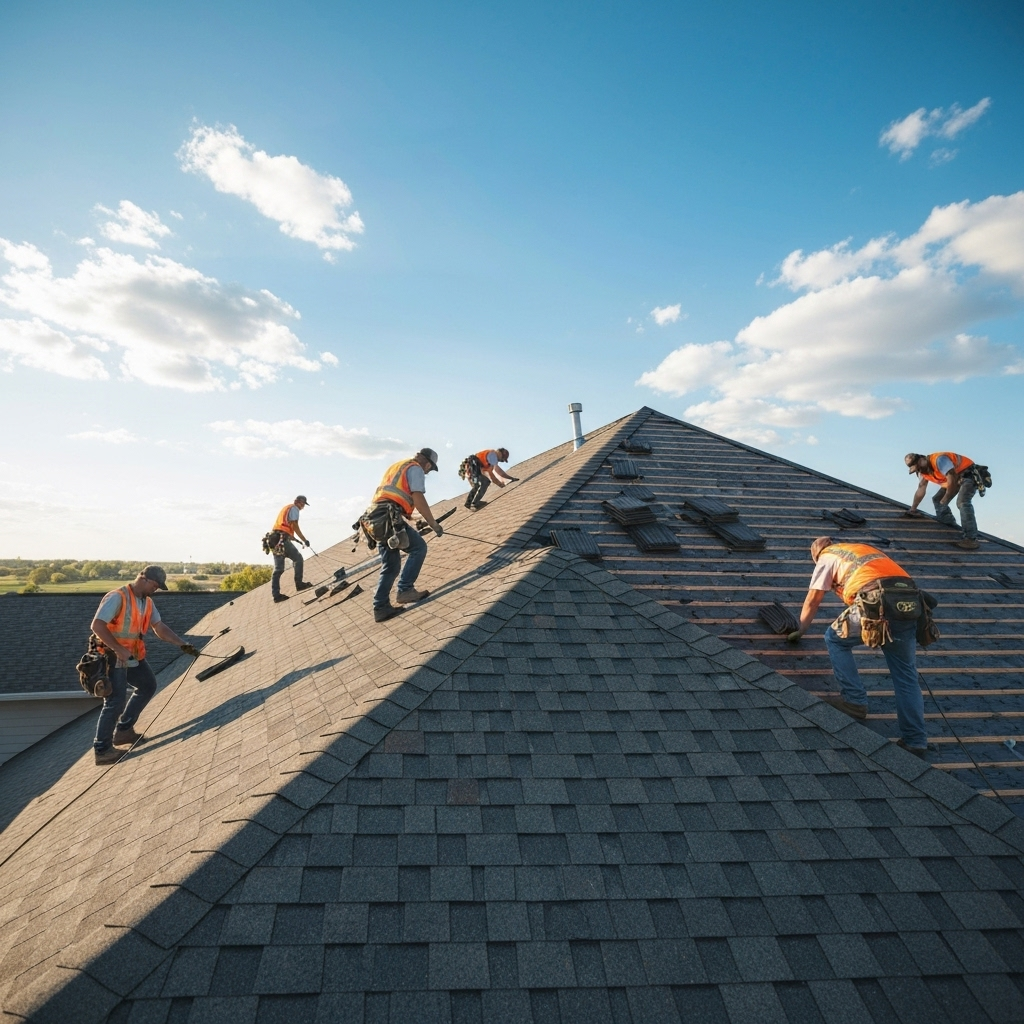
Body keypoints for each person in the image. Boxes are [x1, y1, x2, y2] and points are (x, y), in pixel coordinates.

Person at [789, 537, 929, 756]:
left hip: (877, 599)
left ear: (816, 555)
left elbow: (812, 601)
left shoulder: (827, 557)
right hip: (910, 603)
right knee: (906, 675)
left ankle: (854, 701)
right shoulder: (859, 550)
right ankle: (915, 741)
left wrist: (801, 630)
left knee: (834, 638)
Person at [90, 566, 200, 765]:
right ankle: (102, 750)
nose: (155, 591)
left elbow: (159, 627)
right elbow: (97, 626)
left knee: (148, 685)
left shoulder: (147, 602)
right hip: (112, 656)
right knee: (115, 702)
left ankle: (123, 731)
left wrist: (181, 643)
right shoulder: (118, 597)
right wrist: (116, 649)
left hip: (132, 656)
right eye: (155, 586)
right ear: (144, 578)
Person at [370, 448, 443, 622]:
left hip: (376, 518)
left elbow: (397, 497)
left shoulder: (398, 466)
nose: (427, 472)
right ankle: (405, 590)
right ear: (427, 463)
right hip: (388, 517)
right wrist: (433, 524)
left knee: (391, 565)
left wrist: (414, 518)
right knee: (419, 548)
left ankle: (380, 608)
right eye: (429, 469)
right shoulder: (416, 468)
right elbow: (417, 497)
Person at [905, 452, 980, 550]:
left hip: (968, 474)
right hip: (954, 479)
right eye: (916, 469)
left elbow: (952, 477)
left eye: (918, 467)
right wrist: (913, 509)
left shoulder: (940, 460)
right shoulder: (923, 472)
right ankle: (948, 523)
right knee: (937, 499)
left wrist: (946, 498)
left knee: (962, 502)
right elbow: (921, 488)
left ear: (922, 459)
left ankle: (971, 539)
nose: (919, 470)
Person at [270, 495, 313, 602]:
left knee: (278, 569)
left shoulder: (287, 508)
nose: (302, 507)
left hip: (274, 539)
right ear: (297, 502)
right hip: (281, 540)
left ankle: (276, 595)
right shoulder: (294, 508)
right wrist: (304, 539)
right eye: (302, 504)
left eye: (303, 505)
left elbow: (284, 527)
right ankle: (299, 584)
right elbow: (294, 525)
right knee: (298, 559)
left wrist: (291, 536)